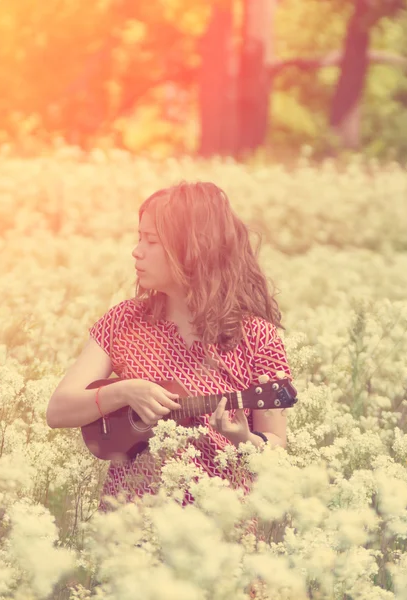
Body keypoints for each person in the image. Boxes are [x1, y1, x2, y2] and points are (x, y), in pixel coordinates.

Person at [46, 181, 293, 542]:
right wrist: (124, 393)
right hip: (132, 533)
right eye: (139, 238)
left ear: (191, 249)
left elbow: (277, 448)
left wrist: (244, 439)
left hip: (219, 535)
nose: (136, 252)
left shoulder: (258, 337)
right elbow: (58, 410)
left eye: (151, 241)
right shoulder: (125, 321)